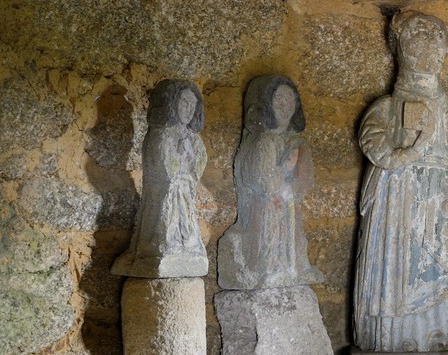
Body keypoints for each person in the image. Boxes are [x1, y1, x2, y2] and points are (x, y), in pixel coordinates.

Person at [351, 11, 448, 352]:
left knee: (445, 263)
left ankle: (443, 338)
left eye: (435, 48)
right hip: (402, 204)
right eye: (418, 47)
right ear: (401, 52)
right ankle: (397, 340)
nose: (428, 56)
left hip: (443, 200)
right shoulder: (386, 108)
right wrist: (404, 151)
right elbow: (374, 144)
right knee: (402, 272)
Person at [218, 75, 324, 291]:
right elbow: (261, 182)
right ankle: (267, 267)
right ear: (267, 104)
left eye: (290, 100)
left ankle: (293, 267)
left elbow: (305, 181)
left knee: (293, 241)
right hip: (267, 207)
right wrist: (285, 170)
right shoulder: (263, 142)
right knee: (269, 240)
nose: (285, 106)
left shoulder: (297, 142)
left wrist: (292, 185)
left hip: (290, 206)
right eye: (279, 100)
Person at [113, 79, 208, 278]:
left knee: (187, 229)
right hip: (164, 193)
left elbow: (198, 166)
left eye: (192, 104)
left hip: (184, 192)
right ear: (171, 105)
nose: (188, 109)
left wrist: (189, 159)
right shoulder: (160, 135)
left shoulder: (194, 138)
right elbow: (164, 171)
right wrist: (181, 154)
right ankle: (159, 249)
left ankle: (186, 247)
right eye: (183, 103)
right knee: (164, 227)